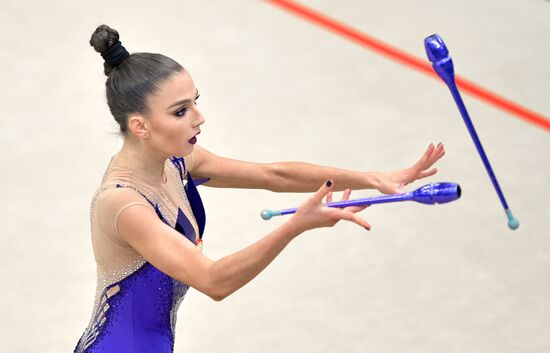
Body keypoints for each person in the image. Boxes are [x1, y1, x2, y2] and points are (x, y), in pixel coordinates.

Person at [74, 24, 446, 353]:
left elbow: (274, 176)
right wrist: (296, 225)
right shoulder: (125, 205)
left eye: (195, 103)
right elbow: (213, 280)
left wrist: (373, 179)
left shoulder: (174, 160)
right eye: (180, 111)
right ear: (140, 127)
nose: (199, 118)